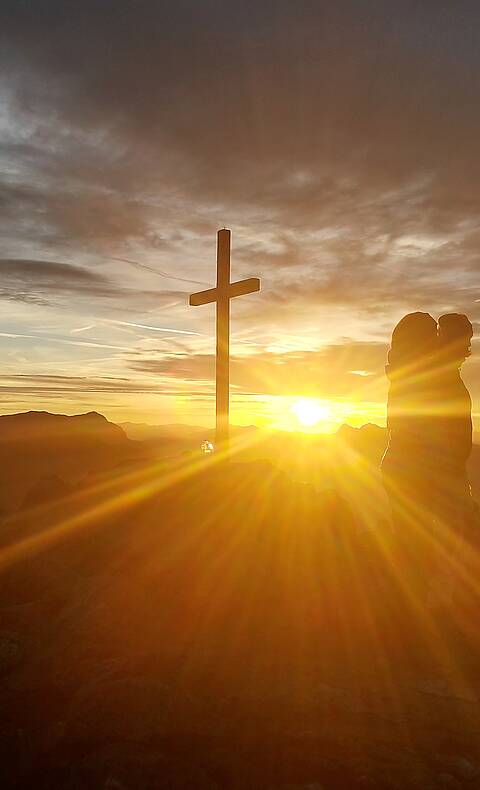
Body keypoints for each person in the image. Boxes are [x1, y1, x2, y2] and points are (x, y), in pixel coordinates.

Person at [381, 313, 441, 580]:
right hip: (413, 466)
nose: (438, 339)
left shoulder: (401, 373)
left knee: (411, 537)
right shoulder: (420, 378)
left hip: (400, 463)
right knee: (419, 539)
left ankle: (410, 593)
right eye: (433, 334)